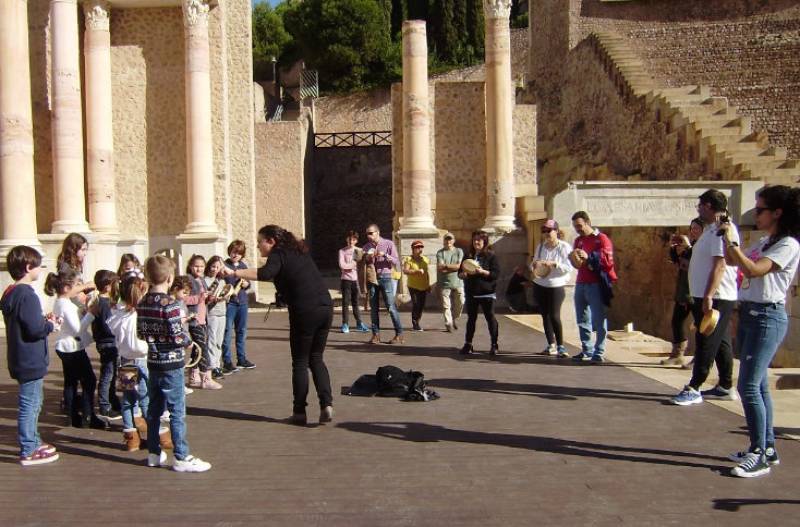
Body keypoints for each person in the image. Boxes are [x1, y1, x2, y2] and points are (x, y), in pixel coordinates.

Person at [721, 185, 800, 478]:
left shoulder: (788, 244)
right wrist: (729, 239)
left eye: (761, 208)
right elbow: (733, 262)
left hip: (768, 317)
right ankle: (767, 446)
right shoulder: (766, 240)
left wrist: (733, 244)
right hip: (751, 314)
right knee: (760, 385)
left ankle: (760, 454)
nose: (756, 213)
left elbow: (755, 270)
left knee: (748, 386)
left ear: (777, 212)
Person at [223, 225, 334, 426]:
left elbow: (266, 273)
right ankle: (327, 404)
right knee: (316, 358)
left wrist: (234, 272)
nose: (258, 247)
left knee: (300, 362)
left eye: (260, 242)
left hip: (305, 309)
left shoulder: (278, 253)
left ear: (271, 241)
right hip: (325, 307)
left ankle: (299, 412)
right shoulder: (298, 251)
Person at [138, 255, 211, 472]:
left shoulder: (143, 302)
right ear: (170, 278)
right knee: (177, 411)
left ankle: (153, 452)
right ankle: (181, 456)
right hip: (172, 362)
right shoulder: (169, 304)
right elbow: (177, 335)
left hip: (153, 361)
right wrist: (188, 342)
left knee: (154, 409)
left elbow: (141, 332)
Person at [671, 190, 740, 405]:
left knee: (706, 340)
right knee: (721, 342)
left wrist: (709, 295)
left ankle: (694, 387)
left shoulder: (722, 229)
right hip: (705, 294)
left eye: (700, 205)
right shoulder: (710, 230)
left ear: (709, 206)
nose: (698, 209)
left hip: (716, 295)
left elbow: (720, 265)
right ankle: (726, 386)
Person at [1, 246, 61, 466]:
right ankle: (28, 449)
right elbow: (34, 329)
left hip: (19, 357)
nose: (40, 269)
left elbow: (26, 321)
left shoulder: (10, 292)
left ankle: (34, 441)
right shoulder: (27, 295)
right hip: (29, 359)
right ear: (28, 267)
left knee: (34, 401)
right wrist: (50, 325)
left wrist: (42, 320)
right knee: (30, 404)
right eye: (38, 265)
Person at [45, 269, 106, 429]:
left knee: (71, 382)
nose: (78, 288)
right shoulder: (65, 304)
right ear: (66, 288)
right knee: (89, 380)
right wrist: (91, 314)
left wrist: (83, 311)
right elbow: (77, 329)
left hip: (66, 346)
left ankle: (73, 416)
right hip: (72, 348)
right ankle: (88, 415)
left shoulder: (60, 302)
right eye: (75, 285)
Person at [570, 211, 617, 363]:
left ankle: (599, 351)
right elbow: (577, 263)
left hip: (595, 283)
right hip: (581, 281)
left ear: (588, 222)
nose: (578, 229)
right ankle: (586, 348)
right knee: (582, 317)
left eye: (580, 225)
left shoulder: (601, 239)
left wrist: (588, 258)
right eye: (575, 227)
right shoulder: (578, 240)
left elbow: (607, 262)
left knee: (598, 318)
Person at [661, 217, 704, 366]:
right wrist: (673, 248)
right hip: (684, 290)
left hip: (698, 291)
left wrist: (688, 248)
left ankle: (700, 357)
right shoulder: (692, 247)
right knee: (676, 321)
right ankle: (678, 353)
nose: (693, 231)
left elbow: (698, 264)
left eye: (697, 228)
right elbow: (680, 263)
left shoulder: (703, 247)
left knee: (700, 325)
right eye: (692, 228)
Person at [531, 219, 573, 358]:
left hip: (556, 284)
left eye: (549, 230)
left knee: (554, 315)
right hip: (541, 283)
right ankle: (551, 344)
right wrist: (536, 264)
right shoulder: (541, 247)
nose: (547, 234)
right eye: (544, 231)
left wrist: (554, 264)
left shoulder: (564, 247)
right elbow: (534, 261)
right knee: (545, 315)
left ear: (556, 231)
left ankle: (561, 346)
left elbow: (569, 267)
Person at [459, 231, 501, 356]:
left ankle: (494, 344)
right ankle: (468, 344)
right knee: (471, 319)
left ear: (485, 242)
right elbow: (460, 273)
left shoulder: (491, 256)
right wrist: (462, 274)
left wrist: (482, 271)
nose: (476, 242)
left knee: (490, 318)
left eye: (479, 240)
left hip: (486, 293)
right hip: (471, 292)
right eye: (474, 240)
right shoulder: (468, 255)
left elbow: (495, 274)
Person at [362, 224, 404, 344]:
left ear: (377, 232)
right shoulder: (366, 247)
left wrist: (384, 255)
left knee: (391, 307)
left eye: (371, 233)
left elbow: (396, 261)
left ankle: (399, 334)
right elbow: (359, 261)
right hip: (372, 278)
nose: (369, 236)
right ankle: (376, 335)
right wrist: (367, 258)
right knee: (373, 309)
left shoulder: (388, 244)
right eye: (367, 234)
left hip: (386, 277)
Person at [185, 255, 221, 390]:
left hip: (202, 318)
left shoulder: (201, 280)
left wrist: (209, 298)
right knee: (203, 348)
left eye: (201, 266)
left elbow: (203, 300)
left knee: (197, 349)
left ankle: (193, 376)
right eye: (196, 266)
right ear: (190, 266)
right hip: (193, 320)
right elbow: (184, 299)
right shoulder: (188, 280)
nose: (199, 268)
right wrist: (199, 298)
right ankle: (206, 377)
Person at [91, 270, 122, 421]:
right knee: (108, 374)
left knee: (112, 373)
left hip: (108, 342)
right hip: (107, 343)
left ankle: (111, 399)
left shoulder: (103, 302)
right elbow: (107, 326)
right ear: (108, 286)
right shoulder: (103, 304)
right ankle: (104, 405)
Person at [222, 240, 255, 373]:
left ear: (242, 255)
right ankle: (227, 362)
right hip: (229, 304)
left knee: (241, 332)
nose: (235, 254)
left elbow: (249, 283)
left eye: (238, 253)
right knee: (227, 332)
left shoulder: (243, 266)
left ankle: (241, 359)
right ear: (229, 251)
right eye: (233, 251)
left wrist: (247, 285)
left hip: (242, 303)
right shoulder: (224, 265)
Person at [338, 231, 368, 333]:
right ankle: (345, 324)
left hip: (355, 280)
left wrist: (350, 266)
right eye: (350, 239)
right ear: (347, 239)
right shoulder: (342, 251)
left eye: (353, 239)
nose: (351, 241)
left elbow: (363, 263)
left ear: (356, 241)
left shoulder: (358, 251)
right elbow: (342, 265)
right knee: (345, 303)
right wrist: (353, 265)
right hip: (345, 280)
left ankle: (359, 323)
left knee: (356, 303)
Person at [204, 256, 227, 379]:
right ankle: (211, 365)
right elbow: (206, 296)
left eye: (218, 267)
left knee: (219, 341)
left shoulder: (222, 281)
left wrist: (225, 296)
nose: (215, 269)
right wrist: (211, 298)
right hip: (212, 313)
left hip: (222, 312)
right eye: (213, 266)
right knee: (212, 340)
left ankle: (217, 364)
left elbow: (225, 294)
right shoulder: (206, 280)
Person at [436, 232, 464, 332]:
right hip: (445, 283)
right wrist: (454, 267)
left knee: (461, 302)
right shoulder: (440, 253)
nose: (448, 241)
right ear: (444, 241)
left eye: (450, 239)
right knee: (446, 305)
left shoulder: (459, 251)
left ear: (453, 240)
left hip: (458, 281)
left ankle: (455, 318)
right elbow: (440, 268)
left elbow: (459, 266)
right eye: (446, 239)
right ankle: (448, 323)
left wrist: (446, 266)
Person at [57, 233, 95, 298]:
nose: (85, 253)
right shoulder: (66, 268)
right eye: (83, 250)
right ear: (73, 249)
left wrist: (85, 289)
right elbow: (67, 291)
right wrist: (86, 286)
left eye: (86, 250)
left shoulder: (74, 266)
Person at [403, 240, 431, 331]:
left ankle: (417, 320)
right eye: (417, 247)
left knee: (421, 305)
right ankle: (415, 323)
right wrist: (416, 271)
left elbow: (427, 274)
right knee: (415, 304)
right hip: (413, 286)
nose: (420, 249)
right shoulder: (408, 259)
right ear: (413, 249)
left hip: (423, 285)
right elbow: (405, 271)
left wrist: (428, 285)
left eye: (421, 247)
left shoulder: (425, 259)